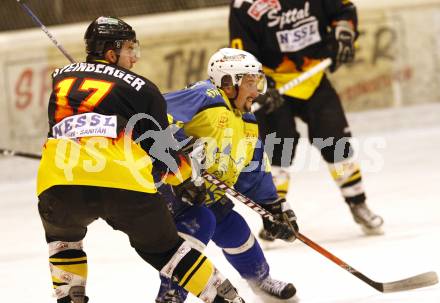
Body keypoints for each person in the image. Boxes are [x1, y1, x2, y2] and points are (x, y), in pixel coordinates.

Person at [36, 16, 245, 303]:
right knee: (169, 252)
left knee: (64, 240)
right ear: (111, 53)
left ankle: (69, 297)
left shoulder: (60, 79)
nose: (134, 58)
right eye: (130, 50)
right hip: (124, 183)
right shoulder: (144, 89)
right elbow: (164, 157)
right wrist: (186, 180)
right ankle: (229, 300)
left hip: (60, 181)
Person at [154, 48, 299, 303]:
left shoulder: (247, 120)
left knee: (234, 228)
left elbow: (252, 168)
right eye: (251, 83)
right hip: (172, 189)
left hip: (206, 191)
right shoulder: (205, 96)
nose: (256, 92)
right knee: (201, 222)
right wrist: (177, 144)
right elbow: (153, 116)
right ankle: (171, 293)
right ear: (228, 83)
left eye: (258, 83)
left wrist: (273, 206)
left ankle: (260, 281)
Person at [229, 0, 384, 236]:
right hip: (272, 85)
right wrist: (257, 85)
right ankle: (274, 216)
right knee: (278, 149)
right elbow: (242, 53)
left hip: (313, 77)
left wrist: (344, 32)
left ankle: (357, 202)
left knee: (335, 140)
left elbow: (344, 10)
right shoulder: (244, 5)